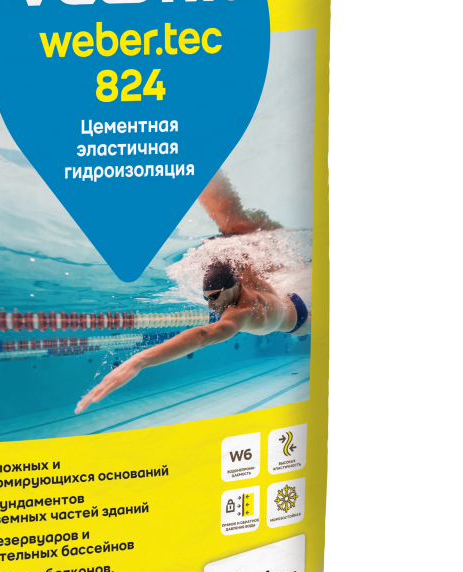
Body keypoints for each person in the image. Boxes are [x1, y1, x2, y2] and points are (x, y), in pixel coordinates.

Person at [75, 170, 311, 414]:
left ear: (230, 287)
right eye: (206, 298)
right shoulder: (242, 278)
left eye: (214, 297)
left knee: (238, 227)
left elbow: (202, 335)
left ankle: (203, 169)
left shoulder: (243, 311)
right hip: (288, 304)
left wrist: (139, 361)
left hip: (300, 320)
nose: (210, 306)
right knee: (237, 227)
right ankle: (203, 170)